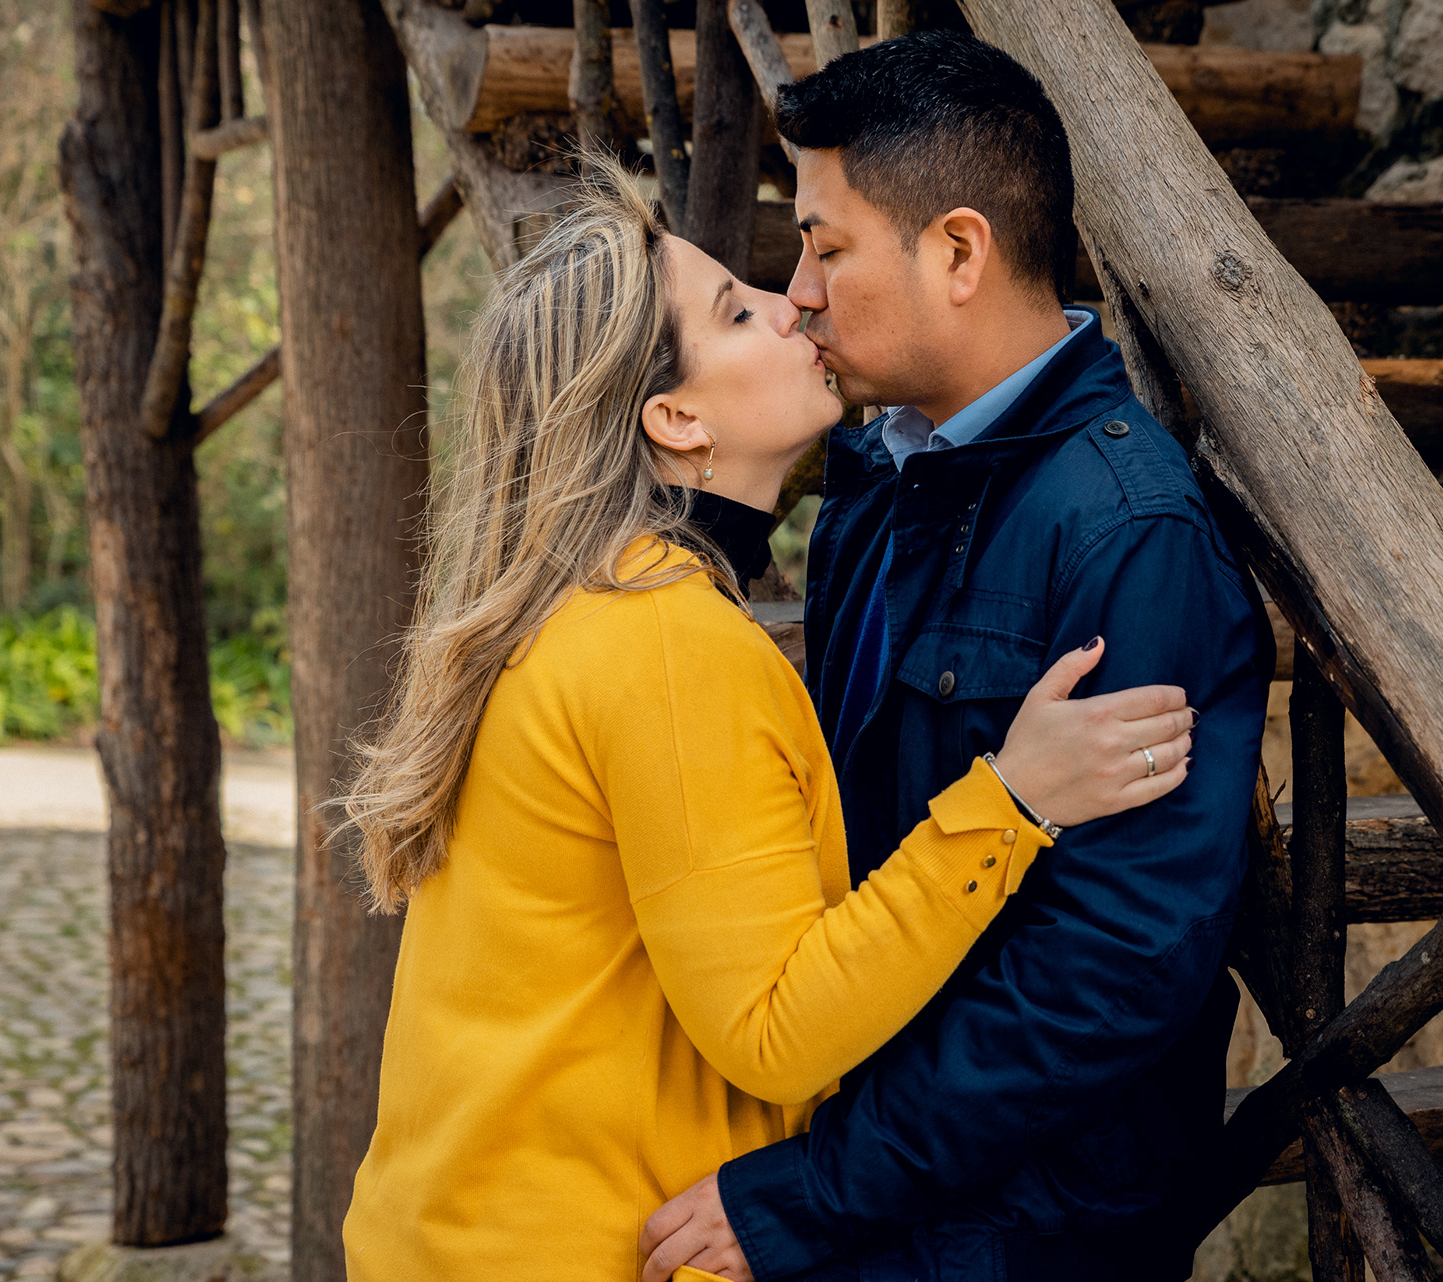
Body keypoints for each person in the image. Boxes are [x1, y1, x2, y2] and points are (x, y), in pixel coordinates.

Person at [332, 156, 1199, 1282]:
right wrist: (1012, 800)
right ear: (676, 417)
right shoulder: (663, 639)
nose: (793, 302)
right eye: (736, 311)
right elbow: (777, 1028)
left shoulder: (591, 606)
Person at [640, 31, 1270, 1282]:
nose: (801, 292)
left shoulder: (1126, 533)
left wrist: (814, 1191)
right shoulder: (879, 475)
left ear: (960, 251)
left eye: (825, 247)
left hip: (1023, 1228)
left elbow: (1113, 967)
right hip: (883, 1168)